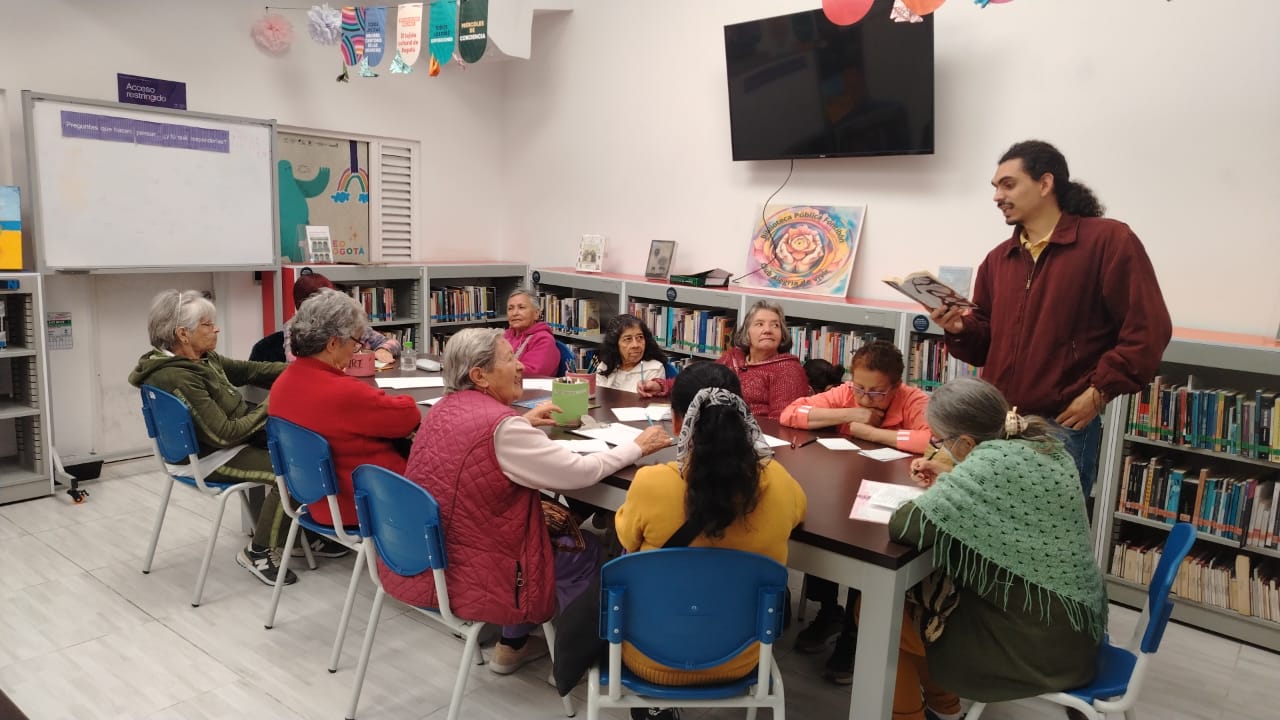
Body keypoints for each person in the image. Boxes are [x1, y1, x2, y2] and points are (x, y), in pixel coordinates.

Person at [388, 328, 671, 676]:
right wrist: (638, 447)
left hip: (442, 547)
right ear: (480, 376)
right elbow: (579, 473)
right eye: (509, 359)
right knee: (588, 552)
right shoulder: (502, 429)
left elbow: (480, 448)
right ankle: (571, 661)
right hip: (480, 563)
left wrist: (520, 423)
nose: (520, 366)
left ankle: (513, 645)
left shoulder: (445, 408)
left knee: (528, 525)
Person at [931, 140, 1171, 498]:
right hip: (998, 425)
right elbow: (984, 343)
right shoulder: (999, 259)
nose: (997, 196)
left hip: (1062, 427)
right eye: (995, 187)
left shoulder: (1109, 241)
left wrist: (1099, 392)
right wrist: (959, 328)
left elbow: (1148, 330)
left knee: (1049, 541)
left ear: (1045, 184)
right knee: (995, 532)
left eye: (1008, 184)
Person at [890, 377, 1107, 711]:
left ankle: (918, 711)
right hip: (1075, 632)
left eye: (939, 439)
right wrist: (951, 477)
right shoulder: (1042, 447)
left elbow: (905, 526)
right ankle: (942, 705)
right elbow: (1000, 501)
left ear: (963, 442)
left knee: (883, 608)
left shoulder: (989, 465)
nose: (938, 446)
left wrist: (950, 485)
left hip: (1034, 649)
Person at [615, 362, 806, 719]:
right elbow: (798, 513)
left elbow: (626, 537)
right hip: (742, 657)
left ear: (676, 423)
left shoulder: (651, 484)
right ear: (743, 418)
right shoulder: (778, 482)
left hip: (649, 656)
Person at [780, 340, 935, 684]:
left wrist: (873, 432)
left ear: (895, 385)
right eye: (859, 387)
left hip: (890, 497)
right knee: (819, 526)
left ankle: (853, 634)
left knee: (871, 549)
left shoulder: (914, 400)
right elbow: (792, 413)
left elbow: (934, 440)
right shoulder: (848, 394)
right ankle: (828, 612)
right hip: (846, 486)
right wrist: (850, 414)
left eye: (877, 393)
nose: (865, 397)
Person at [128, 289, 294, 586]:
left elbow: (249, 370)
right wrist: (271, 405)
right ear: (183, 334)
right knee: (293, 471)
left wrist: (301, 371)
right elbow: (223, 434)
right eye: (207, 324)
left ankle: (301, 534)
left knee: (296, 448)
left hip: (220, 445)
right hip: (209, 457)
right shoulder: (177, 375)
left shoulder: (202, 359)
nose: (215, 329)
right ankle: (258, 552)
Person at [267, 288, 421, 555]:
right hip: (367, 502)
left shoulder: (283, 383)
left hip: (317, 499)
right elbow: (408, 416)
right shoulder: (344, 393)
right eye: (355, 342)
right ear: (332, 344)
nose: (357, 349)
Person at [639, 300, 809, 420]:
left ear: (782, 334)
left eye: (775, 325)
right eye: (759, 324)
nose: (768, 330)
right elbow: (697, 381)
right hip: (717, 431)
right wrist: (660, 385)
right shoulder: (733, 357)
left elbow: (782, 423)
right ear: (746, 332)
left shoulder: (788, 369)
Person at [595, 314, 670, 392]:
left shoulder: (654, 368)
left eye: (640, 337)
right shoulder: (605, 366)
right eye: (628, 339)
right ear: (614, 343)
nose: (635, 345)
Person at [503, 287, 559, 376]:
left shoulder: (544, 340)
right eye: (510, 308)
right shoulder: (504, 336)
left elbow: (531, 375)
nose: (514, 313)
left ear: (536, 314)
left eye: (521, 307)